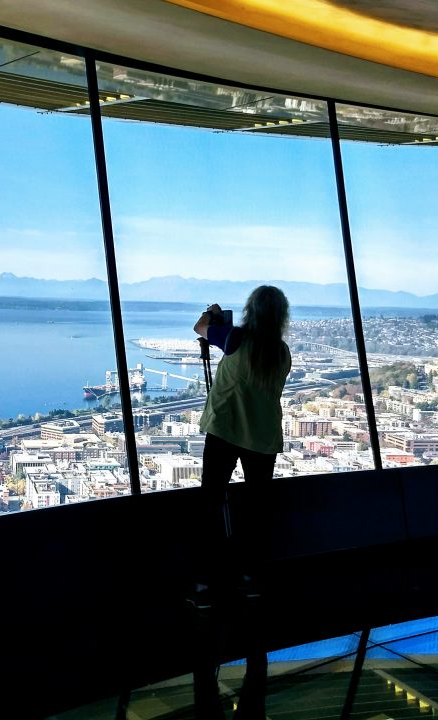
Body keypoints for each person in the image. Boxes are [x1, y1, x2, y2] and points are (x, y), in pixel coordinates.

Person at [188, 285, 292, 720]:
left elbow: (200, 327)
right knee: (257, 512)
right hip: (262, 440)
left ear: (251, 310)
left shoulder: (235, 339)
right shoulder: (281, 353)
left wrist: (214, 314)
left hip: (226, 430)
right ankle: (252, 579)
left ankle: (208, 585)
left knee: (211, 503)